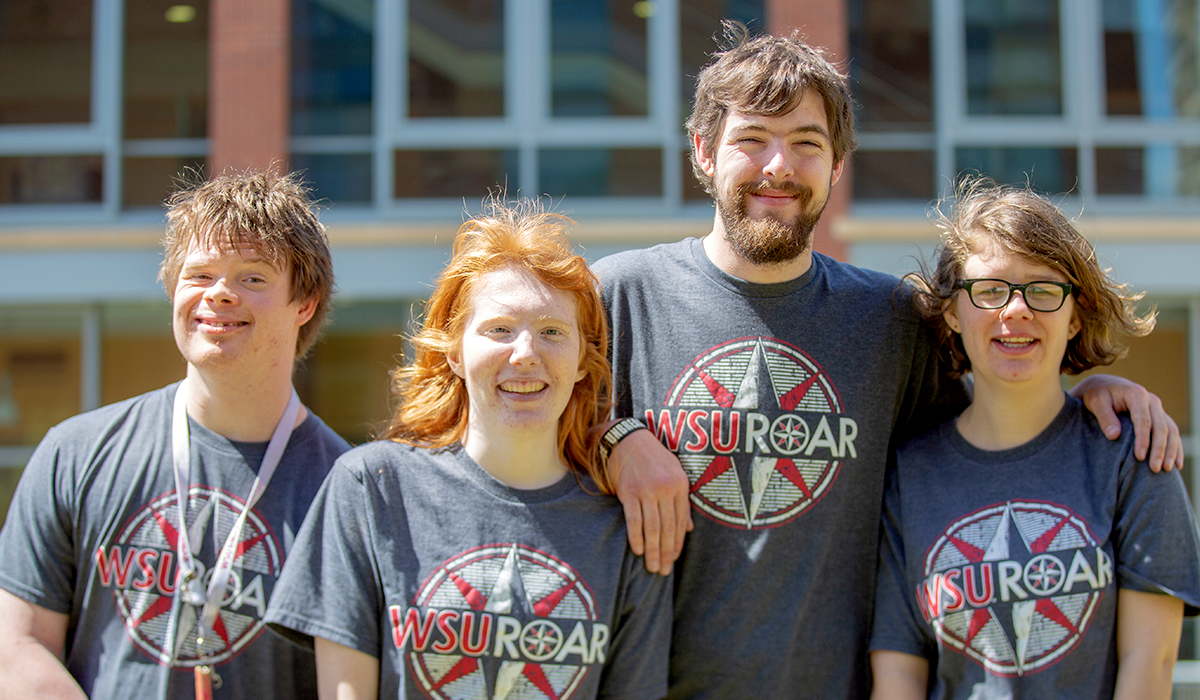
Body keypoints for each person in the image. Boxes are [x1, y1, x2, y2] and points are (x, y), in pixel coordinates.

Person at [590, 21, 1183, 700]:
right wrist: (612, 436)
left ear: (837, 166)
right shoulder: (618, 295)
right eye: (751, 139)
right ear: (703, 150)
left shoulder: (891, 319)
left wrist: (1091, 389)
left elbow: (1000, 421)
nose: (778, 166)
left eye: (807, 144)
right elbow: (506, 437)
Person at [264, 199, 672, 700]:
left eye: (552, 332)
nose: (525, 354)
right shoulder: (371, 489)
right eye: (499, 329)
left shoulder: (623, 524)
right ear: (454, 352)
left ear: (584, 362)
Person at [0, 171, 351, 700]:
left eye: (252, 278)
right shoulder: (74, 454)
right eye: (200, 275)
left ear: (304, 303)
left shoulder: (348, 492)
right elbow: (17, 647)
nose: (220, 295)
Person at [869, 178, 1200, 699]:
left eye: (1043, 290)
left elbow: (1151, 662)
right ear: (953, 312)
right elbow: (899, 675)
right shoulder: (908, 474)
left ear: (1074, 316)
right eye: (991, 289)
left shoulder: (1131, 455)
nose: (1017, 310)